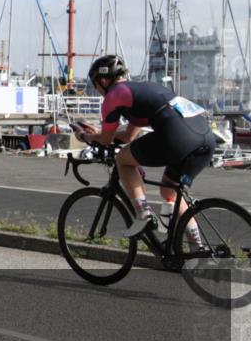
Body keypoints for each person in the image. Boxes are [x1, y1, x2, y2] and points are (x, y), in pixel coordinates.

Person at [74, 54, 215, 245]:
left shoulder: (113, 95)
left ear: (104, 81)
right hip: (205, 137)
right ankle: (197, 250)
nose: (98, 90)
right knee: (169, 191)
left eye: (96, 85)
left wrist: (85, 136)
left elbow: (106, 140)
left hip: (177, 136)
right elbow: (128, 136)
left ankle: (143, 213)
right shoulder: (143, 90)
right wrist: (99, 132)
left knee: (123, 159)